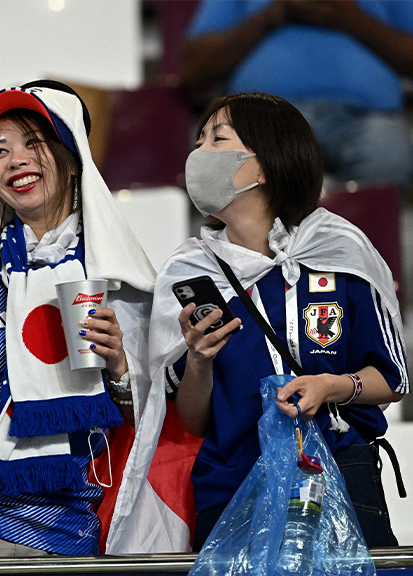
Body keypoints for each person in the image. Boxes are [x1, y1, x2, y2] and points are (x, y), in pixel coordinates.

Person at [0, 81, 158, 558]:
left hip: (65, 526)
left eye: (33, 143)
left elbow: (155, 426)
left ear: (70, 153)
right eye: (0, 150)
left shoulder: (120, 275)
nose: (16, 159)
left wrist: (121, 368)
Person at [149, 91, 408, 551]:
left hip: (338, 478)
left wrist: (330, 386)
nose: (198, 153)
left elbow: (392, 379)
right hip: (231, 490)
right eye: (199, 139)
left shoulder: (340, 252)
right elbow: (193, 419)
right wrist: (199, 360)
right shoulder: (189, 271)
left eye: (217, 139)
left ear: (264, 164)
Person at [180, 0, 413, 189]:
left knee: (386, 151)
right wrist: (271, 16)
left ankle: (358, 245)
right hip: (264, 118)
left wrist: (351, 19)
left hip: (369, 120)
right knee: (236, 155)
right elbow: (192, 71)